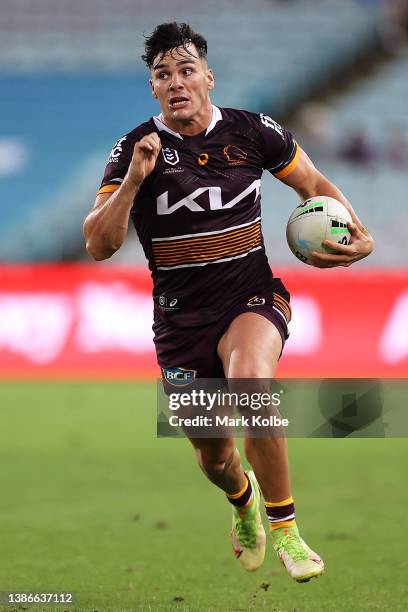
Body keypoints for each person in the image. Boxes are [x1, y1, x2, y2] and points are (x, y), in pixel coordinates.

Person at [83, 22, 374, 583]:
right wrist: (133, 183)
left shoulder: (252, 131)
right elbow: (99, 245)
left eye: (186, 70)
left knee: (250, 382)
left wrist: (357, 232)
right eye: (163, 75)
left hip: (252, 296)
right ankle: (243, 501)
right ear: (152, 89)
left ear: (208, 77)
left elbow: (313, 185)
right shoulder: (133, 149)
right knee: (215, 458)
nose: (176, 82)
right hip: (178, 322)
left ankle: (287, 529)